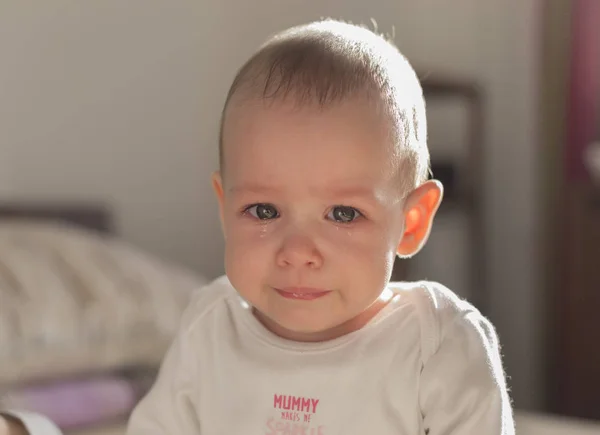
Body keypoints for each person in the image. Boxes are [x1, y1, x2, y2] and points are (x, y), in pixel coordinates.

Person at [1, 18, 514, 435]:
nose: (298, 251)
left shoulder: (437, 344)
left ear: (411, 220)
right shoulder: (211, 328)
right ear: (226, 208)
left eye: (343, 214)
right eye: (264, 211)